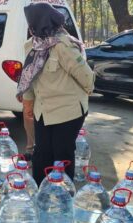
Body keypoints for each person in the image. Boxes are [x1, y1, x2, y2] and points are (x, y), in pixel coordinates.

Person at [17, 3, 95, 185]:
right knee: (42, 153)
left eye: (32, 22)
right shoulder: (31, 45)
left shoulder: (63, 45)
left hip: (68, 111)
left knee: (61, 155)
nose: (30, 27)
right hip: (43, 111)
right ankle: (40, 193)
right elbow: (29, 76)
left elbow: (87, 78)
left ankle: (63, 196)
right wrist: (28, 103)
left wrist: (82, 92)